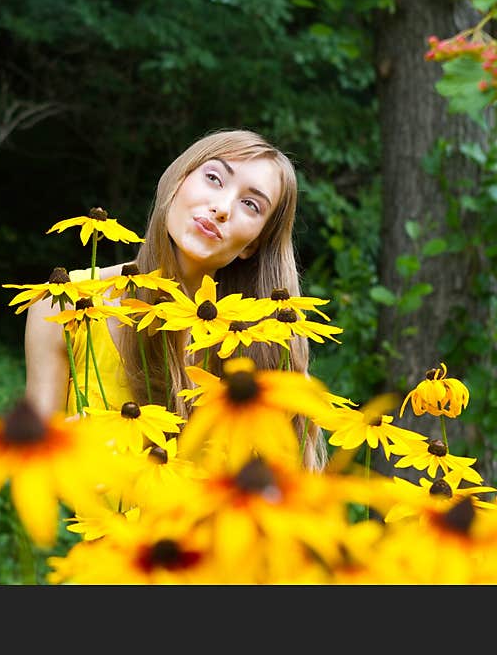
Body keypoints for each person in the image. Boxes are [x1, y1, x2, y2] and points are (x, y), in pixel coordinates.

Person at [23, 128, 328, 471]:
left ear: (252, 245)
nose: (222, 208)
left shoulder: (264, 347)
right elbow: (35, 469)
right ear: (177, 180)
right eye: (214, 177)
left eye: (250, 204)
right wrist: (68, 451)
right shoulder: (62, 305)